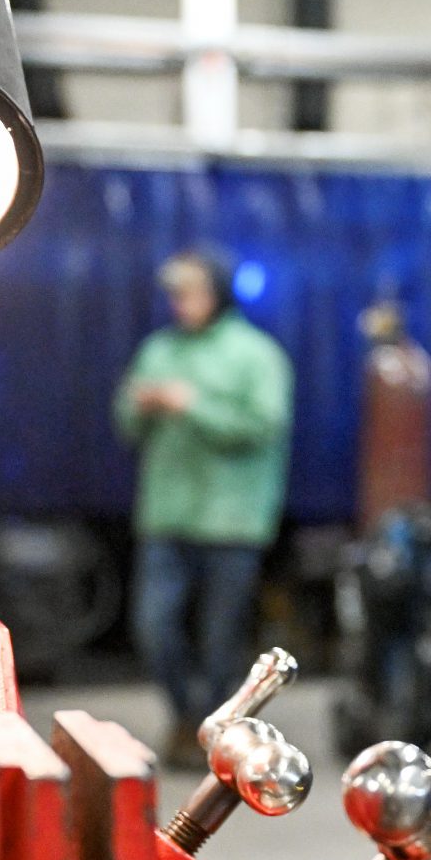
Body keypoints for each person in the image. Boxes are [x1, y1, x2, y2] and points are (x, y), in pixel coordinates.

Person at [114, 247, 294, 769]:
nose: (179, 304)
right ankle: (187, 716)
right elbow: (126, 421)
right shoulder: (158, 350)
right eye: (174, 294)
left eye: (189, 293)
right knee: (153, 626)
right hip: (166, 516)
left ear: (216, 293)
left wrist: (191, 406)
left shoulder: (256, 354)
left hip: (232, 521)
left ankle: (213, 731)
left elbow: (264, 425)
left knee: (221, 639)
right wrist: (140, 404)